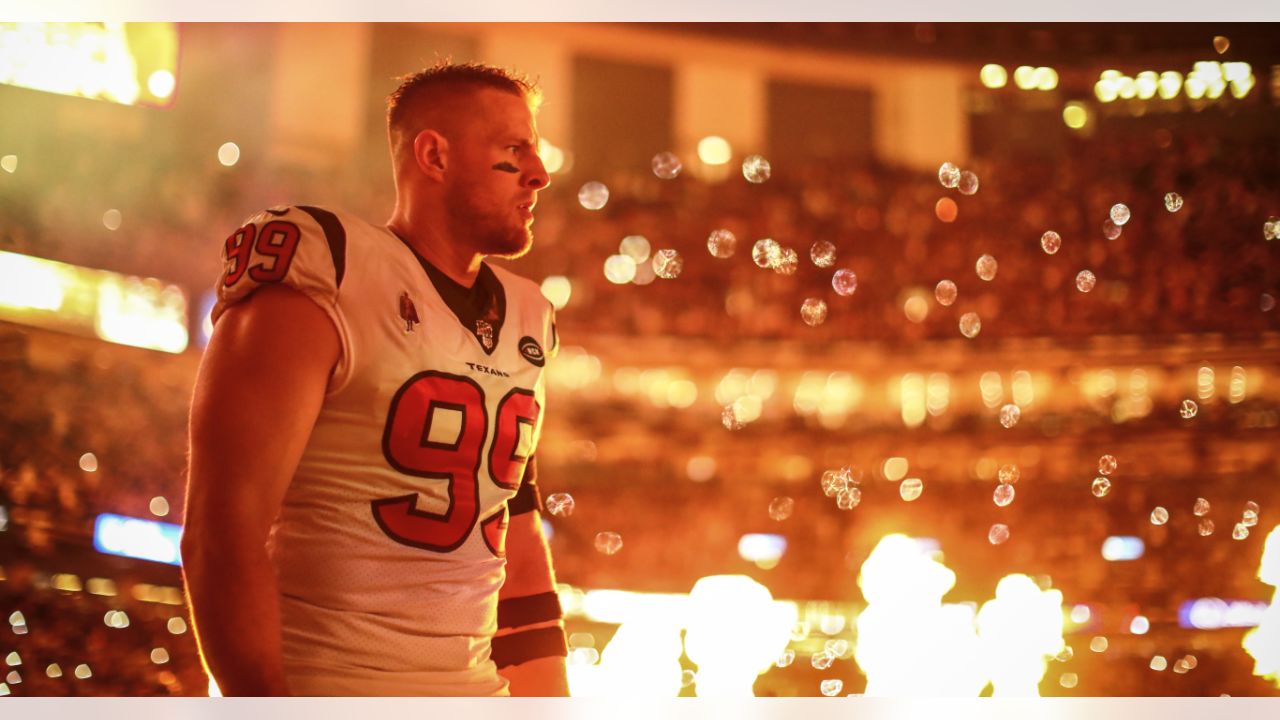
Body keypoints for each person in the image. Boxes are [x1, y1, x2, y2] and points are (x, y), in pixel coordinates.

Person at [180, 62, 567, 696]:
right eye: (513, 149)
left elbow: (515, 539)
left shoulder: (529, 316)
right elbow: (224, 528)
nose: (539, 173)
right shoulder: (326, 267)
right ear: (434, 155)